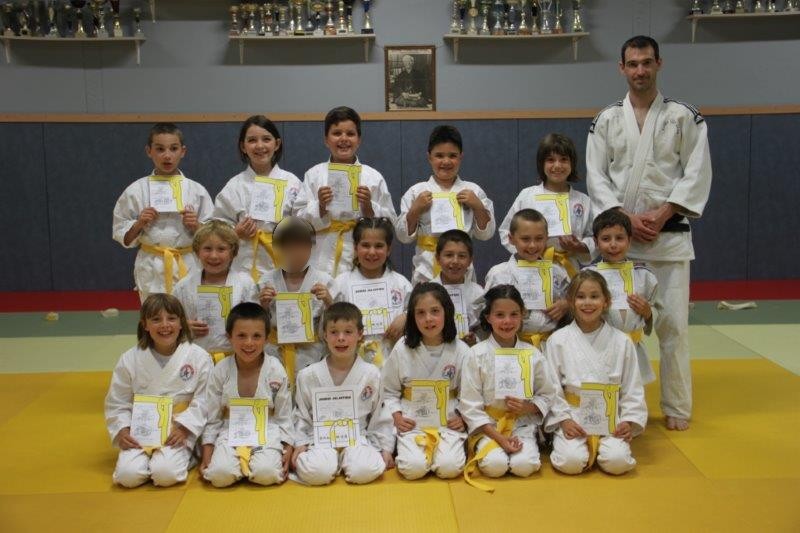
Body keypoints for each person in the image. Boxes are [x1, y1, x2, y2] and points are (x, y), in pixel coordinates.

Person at [586, 35, 712, 430]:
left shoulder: (684, 117)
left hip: (668, 238)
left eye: (646, 62)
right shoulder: (606, 120)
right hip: (620, 244)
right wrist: (624, 217)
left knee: (673, 326)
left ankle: (676, 405)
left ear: (659, 63)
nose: (640, 70)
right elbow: (596, 177)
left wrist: (665, 211)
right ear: (621, 68)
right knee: (614, 326)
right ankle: (613, 403)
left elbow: (696, 172)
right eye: (633, 64)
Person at [459, 285, 562, 492]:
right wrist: (500, 439)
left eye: (514, 314)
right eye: (499, 315)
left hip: (522, 424)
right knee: (494, 466)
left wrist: (528, 408)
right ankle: (491, 447)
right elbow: (470, 405)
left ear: (523, 315)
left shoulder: (533, 354)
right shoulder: (476, 354)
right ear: (488, 317)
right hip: (489, 427)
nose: (507, 321)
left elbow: (548, 393)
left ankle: (525, 446)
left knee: (525, 466)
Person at [544, 270, 647, 475]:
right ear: (571, 302)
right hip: (573, 414)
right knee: (571, 463)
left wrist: (628, 421)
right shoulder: (558, 340)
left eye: (594, 296)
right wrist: (564, 420)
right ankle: (576, 445)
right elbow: (551, 387)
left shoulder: (622, 341)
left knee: (618, 463)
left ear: (606, 301)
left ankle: (606, 448)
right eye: (580, 297)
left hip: (610, 415)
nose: (587, 303)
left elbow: (632, 387)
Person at [104, 293, 211, 488]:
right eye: (156, 319)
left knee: (165, 475)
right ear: (144, 325)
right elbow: (117, 401)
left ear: (181, 323)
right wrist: (123, 430)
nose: (165, 325)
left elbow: (205, 400)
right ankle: (150, 461)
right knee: (127, 477)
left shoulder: (199, 357)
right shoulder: (130, 359)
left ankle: (189, 455)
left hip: (178, 431)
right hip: (142, 430)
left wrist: (185, 428)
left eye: (171, 318)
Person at [291, 302, 394, 485]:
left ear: (360, 334)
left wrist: (385, 447)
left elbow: (380, 415)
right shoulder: (308, 375)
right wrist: (300, 443)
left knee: (364, 470)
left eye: (348, 332)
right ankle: (329, 463)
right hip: (320, 439)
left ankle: (349, 460)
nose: (340, 338)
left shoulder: (371, 374)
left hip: (357, 438)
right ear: (324, 335)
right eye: (334, 332)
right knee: (317, 472)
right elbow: (302, 415)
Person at [112, 123, 213, 301]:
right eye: (160, 149)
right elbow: (123, 235)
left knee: (189, 314)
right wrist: (139, 224)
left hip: (188, 263)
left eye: (173, 149)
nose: (167, 155)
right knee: (154, 316)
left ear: (182, 151)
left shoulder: (197, 190)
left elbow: (214, 234)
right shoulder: (136, 190)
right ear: (149, 151)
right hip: (152, 266)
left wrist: (197, 226)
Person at [382, 282, 471, 480]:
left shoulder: (461, 350)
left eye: (435, 311)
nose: (428, 319)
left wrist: (463, 417)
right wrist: (397, 417)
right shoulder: (402, 348)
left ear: (447, 312)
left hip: (448, 421)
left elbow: (470, 394)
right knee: (412, 469)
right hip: (412, 422)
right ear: (412, 318)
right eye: (420, 313)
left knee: (450, 468)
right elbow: (389, 391)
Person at [293, 106, 396, 277]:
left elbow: (391, 223)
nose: (343, 138)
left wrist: (369, 208)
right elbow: (297, 222)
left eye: (350, 134)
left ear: (359, 139)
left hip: (360, 255)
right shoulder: (314, 175)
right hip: (321, 255)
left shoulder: (373, 177)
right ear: (326, 140)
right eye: (336, 133)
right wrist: (320, 207)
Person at [200, 303, 294, 487]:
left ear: (266, 339)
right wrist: (207, 452)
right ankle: (235, 466)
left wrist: (288, 448)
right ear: (229, 337)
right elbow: (213, 417)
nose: (249, 343)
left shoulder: (275, 369)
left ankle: (254, 465)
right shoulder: (221, 370)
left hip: (267, 429)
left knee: (266, 474)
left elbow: (284, 416)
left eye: (256, 336)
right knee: (219, 476)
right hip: (229, 429)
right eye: (241, 335)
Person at [395, 125, 496, 284]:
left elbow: (486, 234)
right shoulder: (416, 192)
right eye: (439, 155)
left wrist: (477, 206)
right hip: (427, 268)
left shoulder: (473, 191)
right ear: (429, 157)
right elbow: (403, 237)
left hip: (461, 267)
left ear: (461, 157)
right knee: (427, 300)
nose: (446, 161)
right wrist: (415, 210)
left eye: (452, 155)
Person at [213, 115, 302, 282]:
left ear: (277, 144)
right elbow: (217, 229)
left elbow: (304, 223)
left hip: (284, 261)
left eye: (266, 139)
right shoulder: (234, 186)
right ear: (243, 146)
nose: (260, 146)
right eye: (252, 140)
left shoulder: (292, 183)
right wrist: (236, 232)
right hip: (244, 265)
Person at [498, 133, 595, 278]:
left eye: (564, 160)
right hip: (531, 267)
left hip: (568, 268)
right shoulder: (527, 196)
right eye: (550, 160)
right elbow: (506, 231)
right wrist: (529, 250)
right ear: (541, 164)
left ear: (572, 163)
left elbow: (593, 236)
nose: (557, 165)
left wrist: (580, 246)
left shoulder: (583, 201)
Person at [257, 217, 336, 386]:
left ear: (311, 247)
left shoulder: (325, 281)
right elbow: (254, 324)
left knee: (308, 394)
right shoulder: (265, 281)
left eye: (301, 246)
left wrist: (329, 302)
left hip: (312, 355)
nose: (295, 252)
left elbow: (339, 322)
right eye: (287, 246)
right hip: (274, 354)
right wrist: (262, 305)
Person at [584, 209, 658, 383]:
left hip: (633, 347)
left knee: (633, 392)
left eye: (619, 238)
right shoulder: (588, 276)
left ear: (629, 240)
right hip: (599, 347)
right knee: (601, 391)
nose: (613, 245)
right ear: (596, 242)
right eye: (606, 239)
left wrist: (647, 312)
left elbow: (656, 311)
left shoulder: (644, 276)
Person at [173, 220, 258, 364]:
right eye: (207, 248)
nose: (213, 256)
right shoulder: (183, 286)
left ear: (233, 253)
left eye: (221, 249)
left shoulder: (245, 284)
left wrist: (243, 326)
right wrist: (183, 326)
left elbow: (258, 323)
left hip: (237, 359)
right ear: (197, 252)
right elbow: (170, 321)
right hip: (194, 359)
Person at [484, 209, 569, 349]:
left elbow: (576, 302)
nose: (532, 245)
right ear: (511, 239)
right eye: (525, 239)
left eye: (539, 238)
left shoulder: (557, 272)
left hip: (550, 345)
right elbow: (487, 313)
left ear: (547, 238)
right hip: (510, 345)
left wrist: (567, 305)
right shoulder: (498, 274)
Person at [334, 217, 411, 367]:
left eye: (379, 246)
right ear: (355, 248)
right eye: (365, 245)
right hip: (351, 363)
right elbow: (330, 325)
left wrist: (406, 317)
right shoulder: (341, 284)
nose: (372, 252)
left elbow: (419, 314)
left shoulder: (401, 284)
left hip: (394, 361)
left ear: (389, 249)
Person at [430, 229, 484, 346]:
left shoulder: (478, 293)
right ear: (438, 258)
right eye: (449, 255)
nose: (455, 261)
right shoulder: (428, 292)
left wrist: (474, 340)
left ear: (470, 260)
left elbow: (482, 329)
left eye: (462, 256)